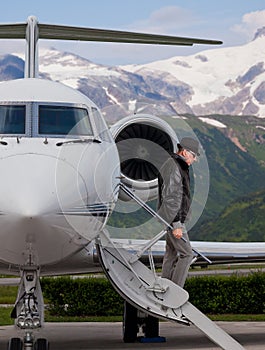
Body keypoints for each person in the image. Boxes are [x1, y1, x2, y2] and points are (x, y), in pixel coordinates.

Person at [157, 137, 200, 288]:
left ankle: (165, 288)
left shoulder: (175, 165)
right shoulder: (175, 166)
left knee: (171, 254)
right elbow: (171, 196)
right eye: (194, 156)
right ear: (184, 152)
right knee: (187, 254)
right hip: (174, 220)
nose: (194, 160)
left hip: (170, 218)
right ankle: (175, 291)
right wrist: (176, 223)